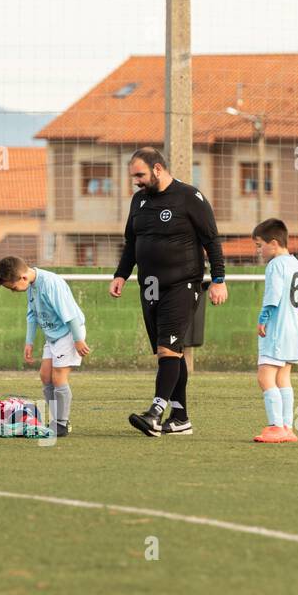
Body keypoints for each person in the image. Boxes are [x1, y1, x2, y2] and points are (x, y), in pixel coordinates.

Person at [110, 147, 228, 438]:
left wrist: (218, 279)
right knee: (170, 353)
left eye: (140, 175)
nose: (135, 181)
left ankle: (154, 413)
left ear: (158, 169)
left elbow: (211, 240)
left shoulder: (189, 197)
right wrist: (121, 275)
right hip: (149, 286)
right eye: (133, 176)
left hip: (182, 285)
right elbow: (132, 243)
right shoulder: (138, 201)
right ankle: (180, 418)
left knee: (168, 349)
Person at [0, 255, 90, 437]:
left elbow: (70, 314)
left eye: (13, 287)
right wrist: (29, 342)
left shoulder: (50, 283)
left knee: (58, 378)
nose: (14, 291)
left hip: (69, 333)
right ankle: (58, 420)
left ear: (22, 277)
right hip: (53, 337)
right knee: (45, 376)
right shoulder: (31, 285)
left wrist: (78, 339)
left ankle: (61, 423)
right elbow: (32, 315)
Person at [252, 218, 298, 444]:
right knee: (283, 377)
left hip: (277, 330)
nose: (258, 251)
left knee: (265, 376)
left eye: (260, 245)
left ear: (274, 243)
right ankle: (287, 427)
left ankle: (275, 426)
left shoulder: (276, 265)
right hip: (295, 331)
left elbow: (273, 294)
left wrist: (263, 318)